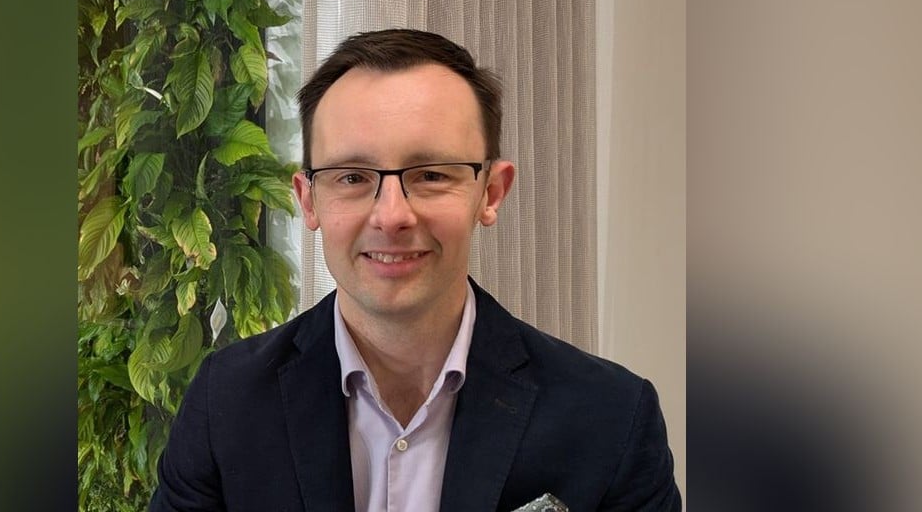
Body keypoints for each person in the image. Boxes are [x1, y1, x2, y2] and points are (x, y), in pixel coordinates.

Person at [149, 29, 681, 511]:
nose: (392, 216)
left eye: (430, 175)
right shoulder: (226, 405)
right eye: (352, 177)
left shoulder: (611, 419)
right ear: (308, 200)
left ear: (491, 193)